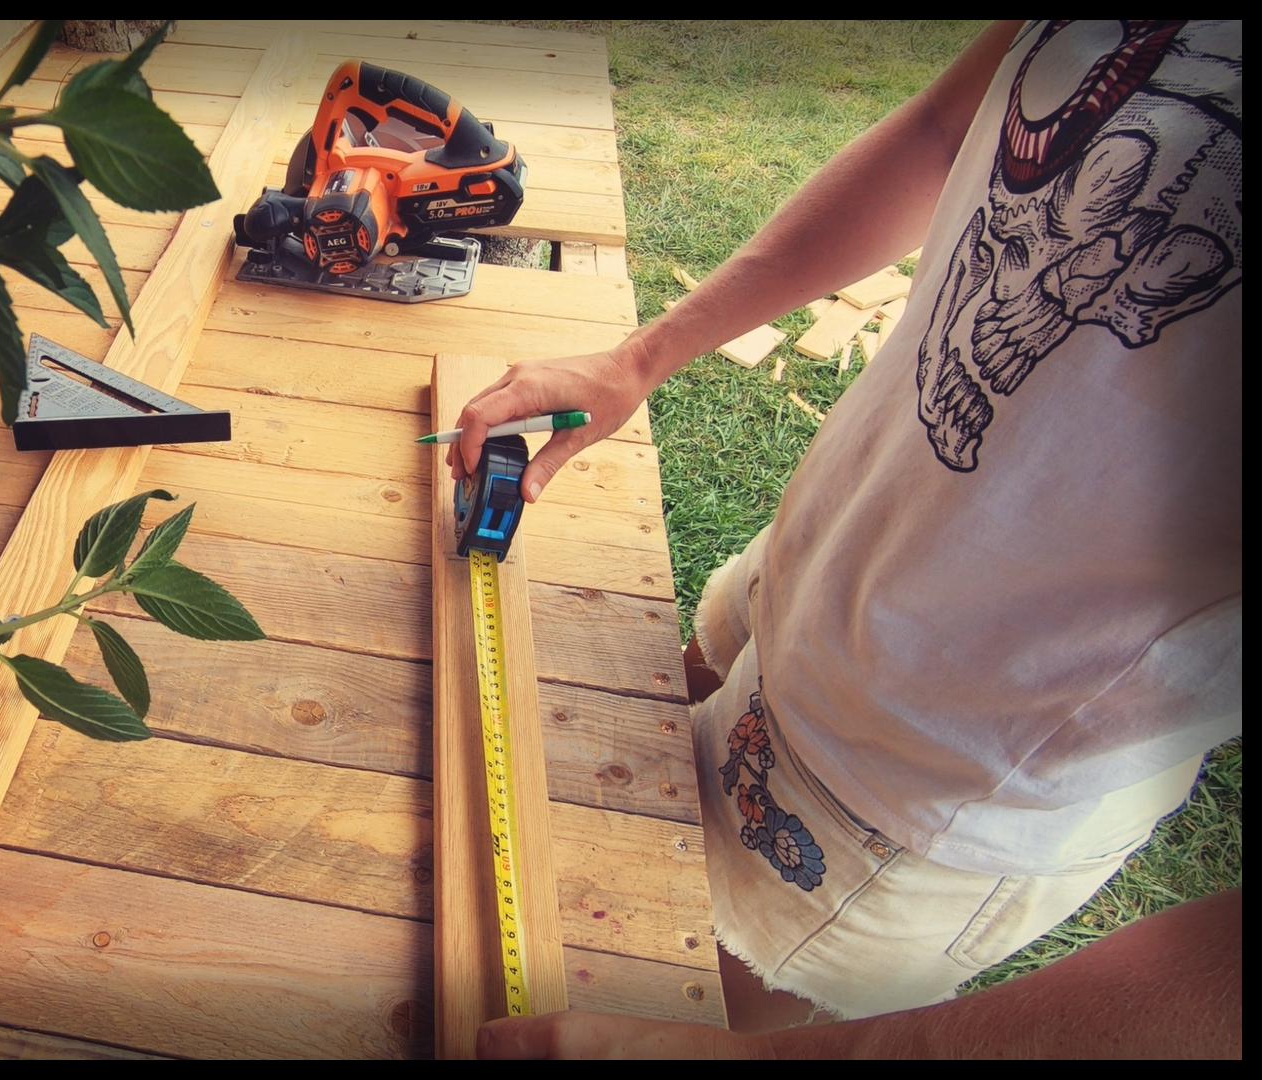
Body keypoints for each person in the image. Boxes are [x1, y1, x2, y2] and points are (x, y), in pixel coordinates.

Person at [447, 20, 1242, 1058]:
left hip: (921, 780)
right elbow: (944, 129)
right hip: (810, 569)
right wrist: (643, 357)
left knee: (625, 989)